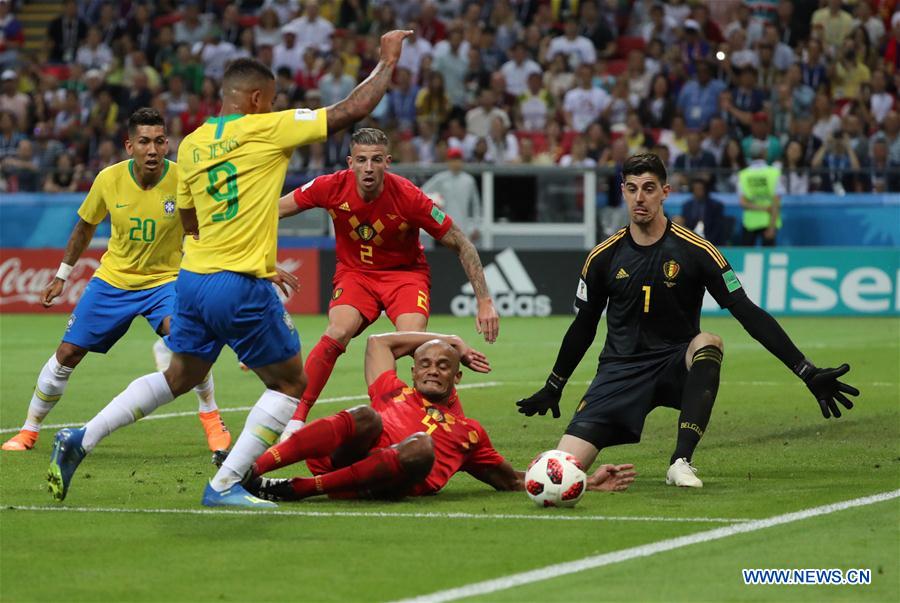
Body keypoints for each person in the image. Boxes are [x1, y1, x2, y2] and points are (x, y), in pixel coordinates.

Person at [46, 31, 415, 508]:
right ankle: (225, 485)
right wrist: (386, 62)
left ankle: (81, 437)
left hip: (191, 281)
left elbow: (187, 218)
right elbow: (351, 110)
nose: (275, 106)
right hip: (236, 284)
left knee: (180, 376)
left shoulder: (194, 144)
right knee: (289, 385)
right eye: (273, 100)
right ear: (258, 98)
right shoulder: (266, 127)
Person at [515, 153, 858, 488]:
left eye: (649, 188)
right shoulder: (603, 257)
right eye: (632, 188)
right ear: (623, 191)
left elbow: (747, 312)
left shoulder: (697, 250)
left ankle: (680, 461)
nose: (640, 197)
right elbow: (584, 326)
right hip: (619, 371)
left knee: (709, 342)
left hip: (675, 364)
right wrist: (554, 385)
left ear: (665, 192)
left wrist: (806, 371)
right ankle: (588, 477)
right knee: (558, 471)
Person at [3, 109, 230, 453]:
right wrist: (62, 276)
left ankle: (211, 418)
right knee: (67, 353)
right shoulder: (108, 179)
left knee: (187, 340)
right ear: (129, 146)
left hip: (165, 281)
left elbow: (203, 230)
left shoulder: (184, 180)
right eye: (144, 142)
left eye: (158, 141)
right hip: (114, 281)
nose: (152, 149)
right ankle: (29, 430)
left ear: (167, 144)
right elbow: (84, 228)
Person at [276, 127, 499, 439]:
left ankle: (436, 422)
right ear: (350, 161)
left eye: (376, 160)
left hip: (405, 276)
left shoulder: (409, 197)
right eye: (362, 160)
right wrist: (254, 256)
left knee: (417, 344)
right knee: (337, 332)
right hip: (356, 274)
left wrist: (485, 300)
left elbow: (462, 242)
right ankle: (295, 421)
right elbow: (272, 211)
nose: (369, 168)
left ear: (388, 162)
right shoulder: (330, 186)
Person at [238, 331, 636, 501]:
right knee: (364, 416)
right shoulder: (394, 390)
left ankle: (300, 489)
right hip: (348, 462)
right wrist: (450, 341)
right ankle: (249, 469)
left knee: (420, 447)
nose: (431, 369)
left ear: (456, 375)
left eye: (443, 365)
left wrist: (584, 483)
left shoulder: (470, 433)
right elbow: (378, 342)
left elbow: (512, 480)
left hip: (396, 478)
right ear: (412, 370)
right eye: (424, 363)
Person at [421, 146, 482, 241]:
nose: (455, 163)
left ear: (462, 161)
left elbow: (476, 206)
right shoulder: (440, 178)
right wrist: (435, 214)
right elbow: (422, 194)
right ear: (448, 161)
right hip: (441, 228)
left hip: (463, 229)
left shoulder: (469, 180)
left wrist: (476, 227)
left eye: (458, 159)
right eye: (453, 159)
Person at [738, 147, 783, 246]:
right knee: (769, 257)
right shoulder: (774, 173)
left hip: (750, 222)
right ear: (765, 154)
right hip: (769, 221)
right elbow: (776, 201)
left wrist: (761, 208)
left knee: (747, 256)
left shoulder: (743, 174)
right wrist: (771, 228)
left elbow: (742, 202)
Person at [675, 177, 728, 246]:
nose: (698, 191)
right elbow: (685, 223)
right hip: (691, 238)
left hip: (711, 239)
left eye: (700, 189)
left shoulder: (716, 206)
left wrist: (707, 242)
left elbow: (717, 227)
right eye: (695, 189)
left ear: (705, 190)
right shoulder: (687, 205)